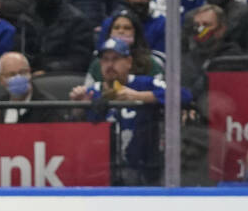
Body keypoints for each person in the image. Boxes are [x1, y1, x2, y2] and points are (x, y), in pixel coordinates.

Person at [70, 37, 192, 185]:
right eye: (105, 60)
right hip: (103, 171)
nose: (110, 64)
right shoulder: (91, 92)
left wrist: (140, 96)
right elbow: (78, 134)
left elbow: (184, 95)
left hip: (144, 170)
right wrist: (78, 108)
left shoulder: (144, 83)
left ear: (128, 62)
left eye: (115, 59)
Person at [20, 0, 94, 74]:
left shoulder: (77, 20)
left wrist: (47, 70)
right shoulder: (26, 18)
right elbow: (20, 51)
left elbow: (80, 60)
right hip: (28, 76)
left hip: (61, 79)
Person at [85, 9, 163, 88]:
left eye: (127, 28)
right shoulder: (97, 64)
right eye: (116, 28)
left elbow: (162, 93)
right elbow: (88, 95)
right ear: (109, 32)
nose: (121, 31)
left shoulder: (150, 63)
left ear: (136, 33)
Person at [0, 50, 74, 123]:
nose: (18, 78)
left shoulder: (48, 107)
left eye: (22, 72)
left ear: (30, 73)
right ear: (0, 79)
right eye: (11, 74)